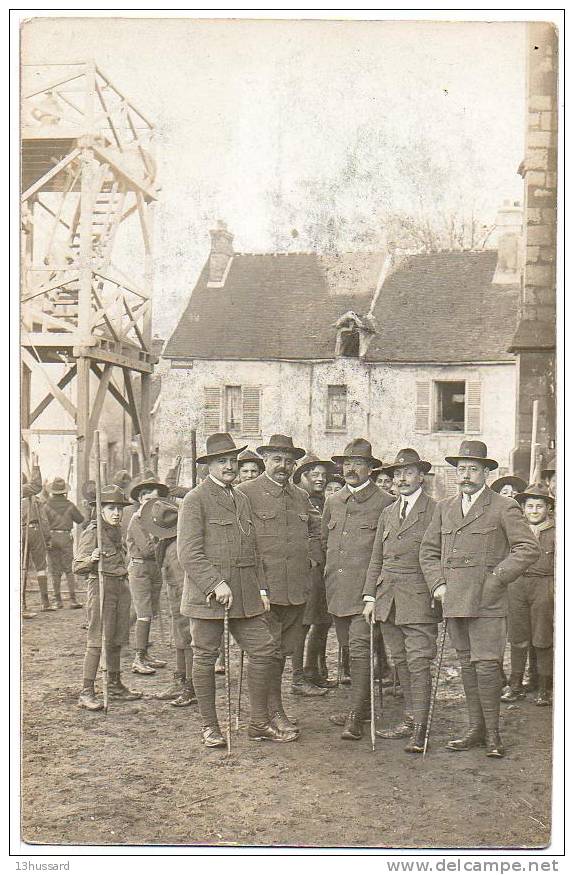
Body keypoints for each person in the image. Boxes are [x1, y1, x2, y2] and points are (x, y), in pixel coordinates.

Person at [420, 440, 540, 758]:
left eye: (473, 469)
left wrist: (497, 579)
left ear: (486, 472)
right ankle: (475, 729)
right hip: (454, 599)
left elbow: (527, 549)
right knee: (466, 666)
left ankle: (494, 735)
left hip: (488, 600)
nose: (466, 475)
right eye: (461, 469)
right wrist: (437, 586)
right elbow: (429, 551)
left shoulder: (503, 506)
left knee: (487, 666)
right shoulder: (444, 507)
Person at [178, 432, 297, 747]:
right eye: (222, 461)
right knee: (204, 657)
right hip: (208, 597)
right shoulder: (195, 500)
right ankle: (210, 727)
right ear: (209, 466)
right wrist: (215, 583)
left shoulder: (240, 498)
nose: (229, 466)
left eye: (232, 460)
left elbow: (252, 549)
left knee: (265, 651)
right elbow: (188, 553)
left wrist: (261, 589)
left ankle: (258, 723)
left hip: (245, 595)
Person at [237, 434, 325, 733]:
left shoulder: (301, 496)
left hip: (295, 590)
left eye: (289, 461)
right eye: (277, 460)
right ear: (264, 460)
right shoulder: (244, 493)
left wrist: (312, 559)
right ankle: (262, 717)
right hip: (262, 591)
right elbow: (242, 544)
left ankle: (275, 712)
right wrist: (257, 586)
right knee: (265, 654)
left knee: (281, 654)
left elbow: (315, 529)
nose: (283, 466)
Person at [363, 449, 438, 753]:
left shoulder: (436, 511)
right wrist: (370, 596)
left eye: (408, 472)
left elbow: (438, 557)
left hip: (419, 599)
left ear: (422, 476)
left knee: (419, 662)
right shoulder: (388, 513)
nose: (402, 479)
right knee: (402, 662)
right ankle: (410, 715)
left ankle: (421, 727)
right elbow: (376, 558)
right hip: (387, 599)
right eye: (397, 474)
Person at [322, 438, 394, 740]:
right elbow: (326, 542)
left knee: (362, 650)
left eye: (359, 463)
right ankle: (359, 705)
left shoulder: (385, 503)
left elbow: (388, 552)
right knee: (349, 650)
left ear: (370, 469)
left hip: (366, 593)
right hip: (337, 590)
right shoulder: (334, 500)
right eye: (347, 463)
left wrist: (375, 592)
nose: (351, 468)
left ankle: (355, 716)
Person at [74, 485, 142, 710]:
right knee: (97, 640)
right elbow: (77, 566)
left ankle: (114, 684)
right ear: (99, 510)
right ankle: (86, 691)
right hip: (101, 588)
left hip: (120, 587)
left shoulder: (115, 531)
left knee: (116, 639)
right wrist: (91, 559)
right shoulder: (93, 532)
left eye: (119, 509)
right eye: (111, 508)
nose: (116, 513)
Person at [501, 483, 555, 707]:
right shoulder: (515, 529)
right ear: (522, 508)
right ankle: (515, 685)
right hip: (517, 585)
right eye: (530, 506)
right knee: (518, 636)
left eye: (539, 506)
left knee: (542, 638)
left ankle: (544, 687)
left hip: (544, 586)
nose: (534, 511)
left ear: (548, 508)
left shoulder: (556, 531)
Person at [140, 498, 197, 706]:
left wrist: (184, 606)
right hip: (175, 598)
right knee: (180, 641)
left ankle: (191, 687)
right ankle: (180, 679)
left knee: (189, 640)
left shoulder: (175, 549)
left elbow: (182, 581)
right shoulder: (166, 543)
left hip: (185, 598)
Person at [291, 453, 338, 692]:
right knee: (304, 622)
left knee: (322, 621)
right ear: (303, 476)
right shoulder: (296, 498)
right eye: (315, 475)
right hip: (307, 568)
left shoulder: (324, 500)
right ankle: (298, 679)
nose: (320, 479)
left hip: (325, 568)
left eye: (323, 475)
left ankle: (313, 670)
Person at [127, 475, 170, 675]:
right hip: (140, 568)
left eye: (154, 502)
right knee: (143, 614)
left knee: (150, 612)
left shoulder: (157, 521)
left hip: (154, 568)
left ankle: (145, 654)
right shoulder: (137, 521)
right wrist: (163, 542)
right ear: (140, 500)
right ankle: (137, 658)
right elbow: (146, 550)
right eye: (146, 500)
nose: (150, 505)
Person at [44, 477, 84, 609]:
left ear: (52, 491)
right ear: (64, 492)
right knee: (69, 569)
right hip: (66, 538)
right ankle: (73, 600)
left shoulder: (46, 506)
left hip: (52, 537)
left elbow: (44, 524)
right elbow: (80, 520)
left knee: (55, 571)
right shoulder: (70, 505)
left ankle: (57, 601)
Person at [22, 455, 55, 614]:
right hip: (32, 530)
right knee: (41, 567)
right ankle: (45, 602)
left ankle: (22, 604)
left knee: (20, 567)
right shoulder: (33, 499)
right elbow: (44, 521)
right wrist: (36, 466)